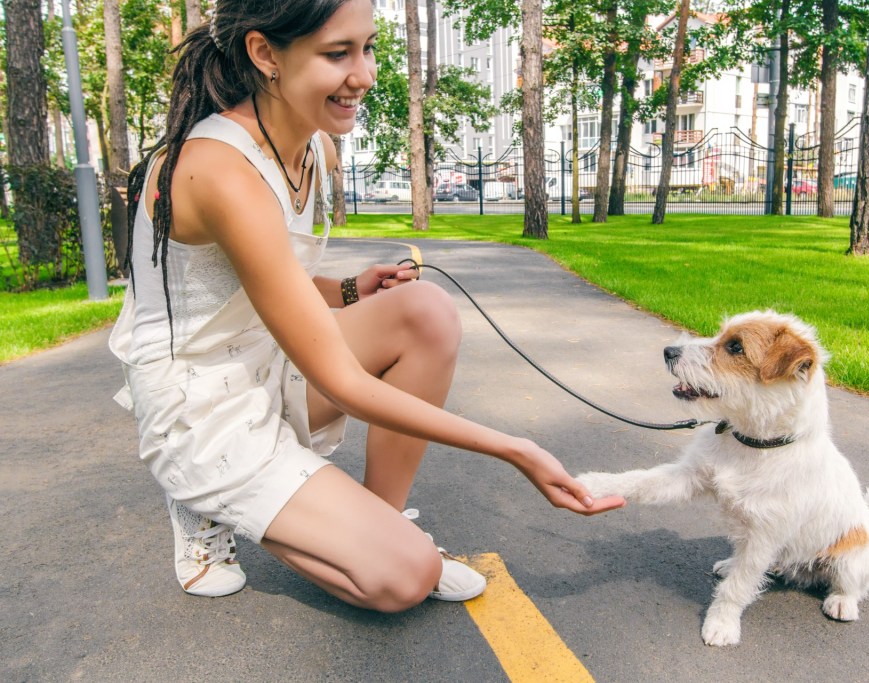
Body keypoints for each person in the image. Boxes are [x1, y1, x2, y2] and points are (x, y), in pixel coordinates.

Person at [108, 0, 625, 611]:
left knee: (424, 312)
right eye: (337, 54)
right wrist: (517, 449)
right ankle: (201, 495)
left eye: (369, 47)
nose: (365, 74)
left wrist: (352, 288)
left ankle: (383, 523)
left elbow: (264, 283)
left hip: (268, 362)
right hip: (201, 406)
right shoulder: (220, 170)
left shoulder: (315, 147)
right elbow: (342, 382)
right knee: (403, 580)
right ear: (265, 54)